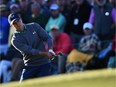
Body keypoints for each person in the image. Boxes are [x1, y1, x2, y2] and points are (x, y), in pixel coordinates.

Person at [8, 13, 55, 83]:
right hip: (30, 65)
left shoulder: (34, 26)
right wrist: (46, 54)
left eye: (18, 20)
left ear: (21, 19)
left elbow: (47, 37)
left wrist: (50, 49)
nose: (17, 24)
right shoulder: (15, 40)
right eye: (14, 23)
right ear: (12, 26)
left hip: (44, 63)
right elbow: (31, 51)